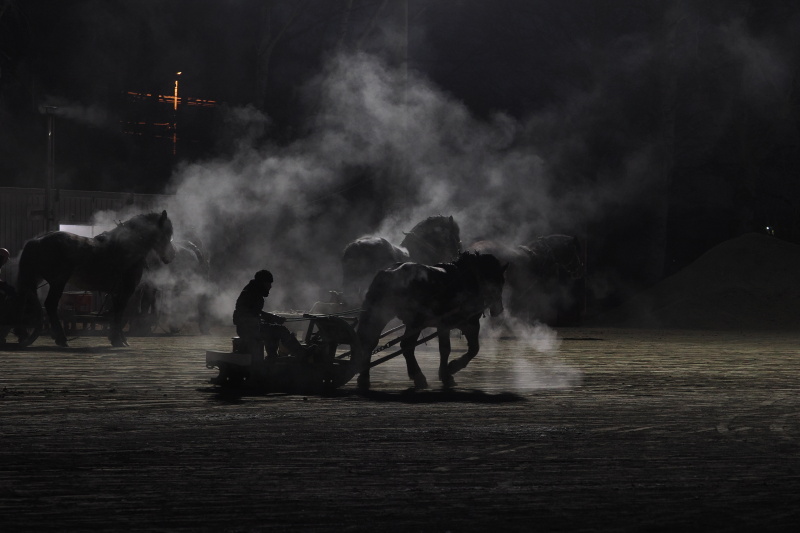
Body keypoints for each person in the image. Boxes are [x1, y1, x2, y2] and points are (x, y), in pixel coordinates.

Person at [232, 269, 306, 359]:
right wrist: (273, 318)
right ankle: (302, 353)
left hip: (250, 328)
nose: (270, 286)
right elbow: (254, 313)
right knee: (280, 330)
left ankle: (272, 357)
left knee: (274, 329)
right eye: (268, 283)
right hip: (248, 330)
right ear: (262, 283)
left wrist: (273, 318)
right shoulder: (250, 294)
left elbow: (256, 313)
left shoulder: (252, 291)